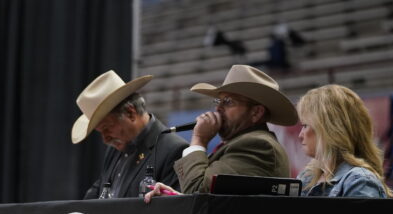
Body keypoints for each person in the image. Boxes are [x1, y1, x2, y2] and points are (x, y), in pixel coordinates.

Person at [144, 64, 297, 201]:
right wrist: (177, 197)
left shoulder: (257, 145)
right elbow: (218, 200)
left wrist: (199, 139)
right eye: (219, 101)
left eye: (228, 102)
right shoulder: (243, 142)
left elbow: (199, 192)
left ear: (256, 112)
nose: (218, 108)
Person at [72, 70, 188, 199]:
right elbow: (99, 191)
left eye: (106, 128)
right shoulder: (114, 148)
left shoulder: (174, 150)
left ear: (130, 113)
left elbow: (175, 209)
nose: (105, 138)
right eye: (100, 132)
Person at [296, 84, 393, 197]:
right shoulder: (307, 177)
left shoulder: (360, 182)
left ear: (328, 128)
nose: (300, 135)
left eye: (305, 125)